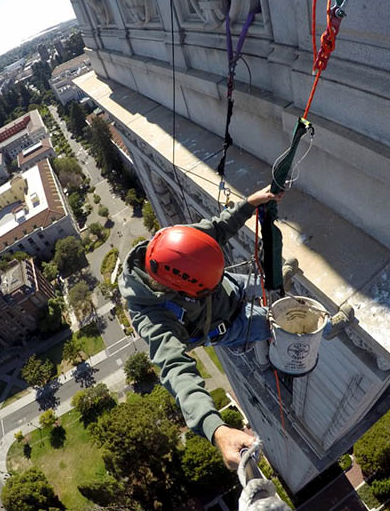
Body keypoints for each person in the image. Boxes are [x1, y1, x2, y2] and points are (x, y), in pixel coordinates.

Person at [118, 186, 283, 469]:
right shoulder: (152, 316)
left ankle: (273, 286)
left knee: (276, 278)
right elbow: (176, 370)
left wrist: (248, 204)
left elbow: (216, 229)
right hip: (229, 325)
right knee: (280, 324)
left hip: (229, 286)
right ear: (183, 291)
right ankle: (312, 330)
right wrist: (215, 428)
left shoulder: (175, 244)